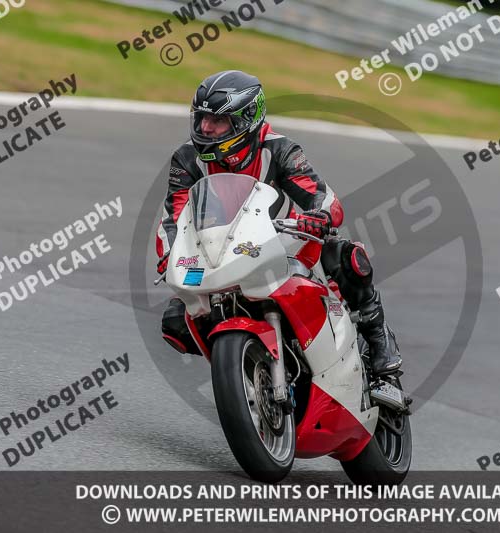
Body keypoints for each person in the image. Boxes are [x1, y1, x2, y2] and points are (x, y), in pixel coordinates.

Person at [155, 70, 401, 376]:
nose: (205, 127)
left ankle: (378, 335)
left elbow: (321, 196)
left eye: (217, 121)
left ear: (245, 120)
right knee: (176, 320)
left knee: (347, 256)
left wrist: (319, 217)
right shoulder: (187, 158)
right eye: (202, 118)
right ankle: (241, 368)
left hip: (283, 244)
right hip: (218, 256)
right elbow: (174, 216)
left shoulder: (280, 149)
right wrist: (169, 254)